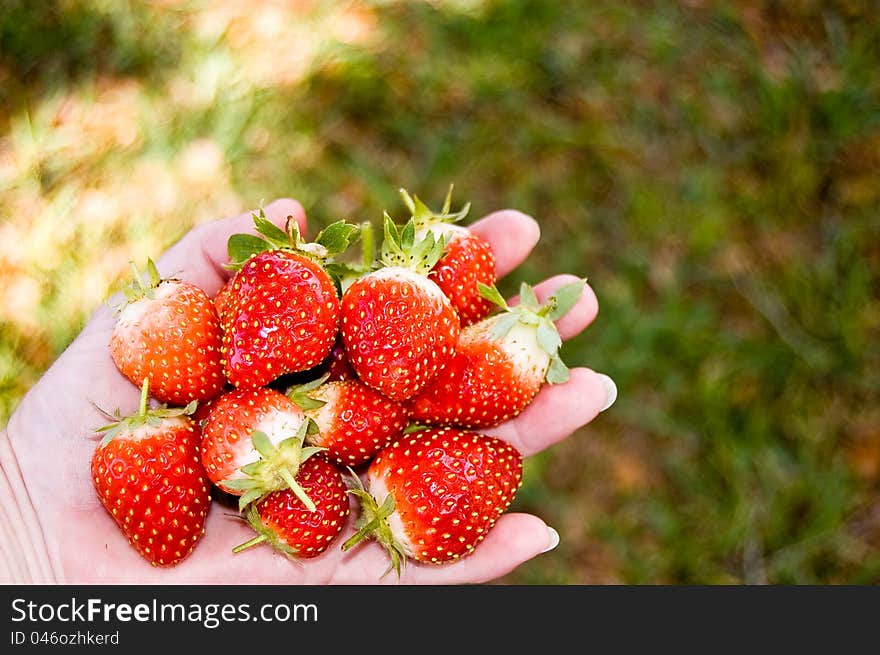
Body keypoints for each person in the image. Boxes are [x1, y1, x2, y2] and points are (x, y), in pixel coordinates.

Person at [0, 198, 616, 584]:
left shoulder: (339, 352)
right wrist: (20, 532)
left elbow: (379, 383)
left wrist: (27, 545)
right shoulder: (269, 373)